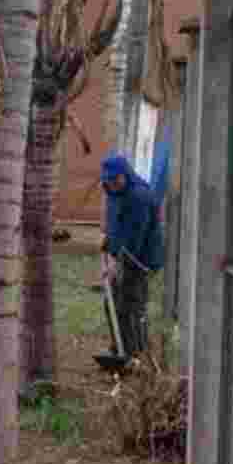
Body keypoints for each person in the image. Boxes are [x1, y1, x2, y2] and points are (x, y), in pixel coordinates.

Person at [99, 153, 164, 366]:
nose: (112, 183)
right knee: (111, 303)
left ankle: (135, 355)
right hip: (121, 256)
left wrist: (117, 263)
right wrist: (108, 248)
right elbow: (114, 225)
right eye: (108, 179)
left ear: (125, 174)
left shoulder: (139, 197)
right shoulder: (113, 192)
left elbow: (134, 238)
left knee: (131, 306)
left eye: (116, 179)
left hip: (139, 260)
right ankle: (121, 348)